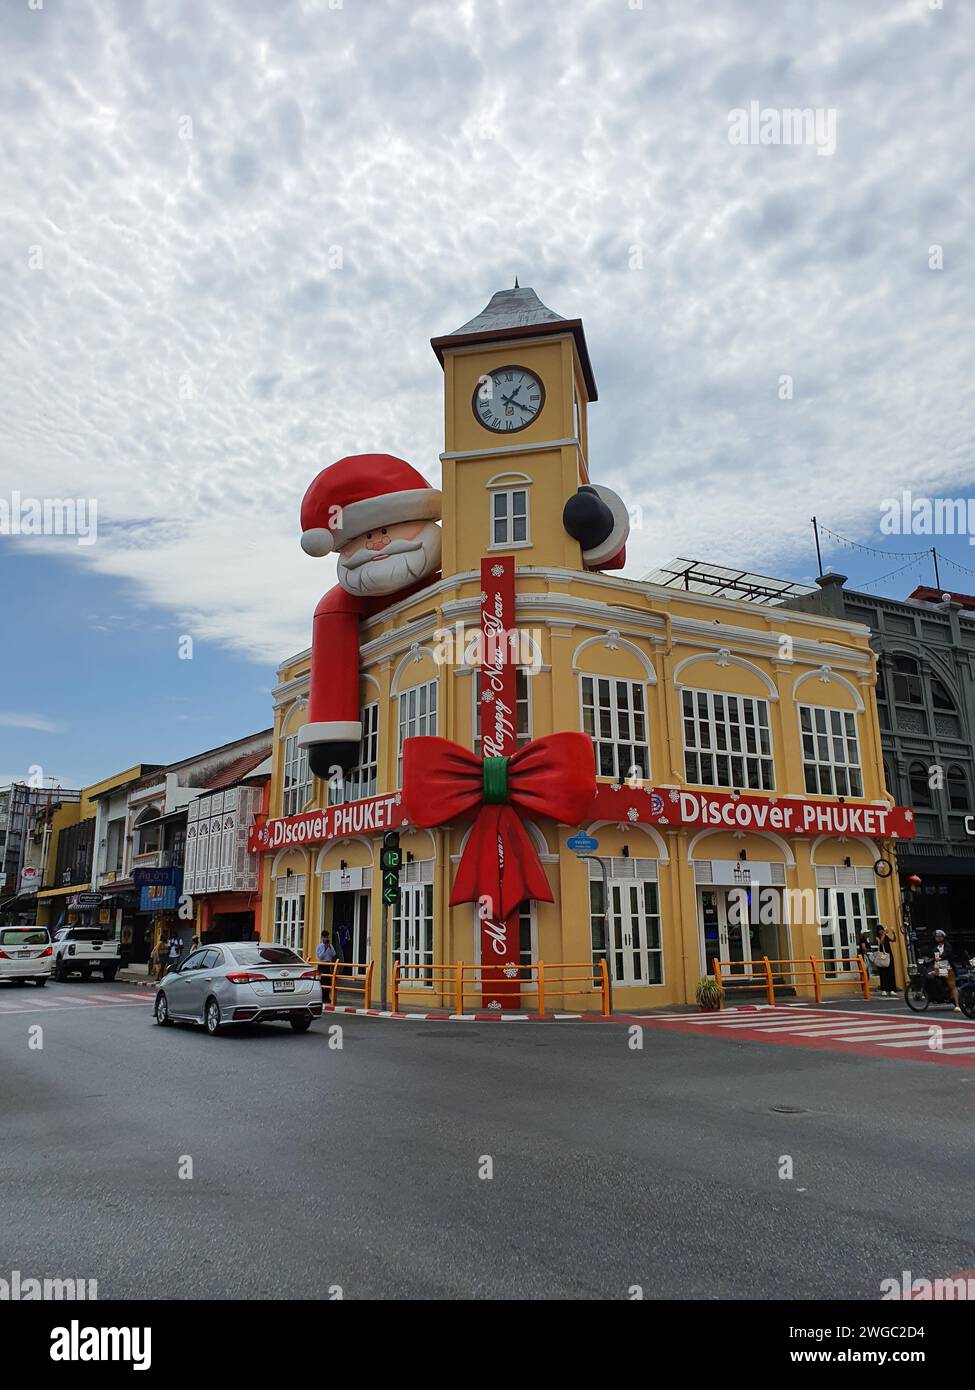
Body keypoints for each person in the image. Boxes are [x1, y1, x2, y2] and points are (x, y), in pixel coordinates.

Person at [929, 928, 961, 1011]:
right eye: (936, 937)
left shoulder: (947, 945)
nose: (938, 938)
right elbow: (932, 956)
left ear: (943, 937)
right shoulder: (935, 947)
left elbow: (947, 953)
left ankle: (957, 1005)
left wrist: (941, 957)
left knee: (952, 985)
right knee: (930, 977)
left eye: (940, 936)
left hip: (947, 968)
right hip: (938, 968)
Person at [872, 924, 898, 997]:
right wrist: (884, 934)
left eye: (882, 930)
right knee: (883, 972)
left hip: (889, 954)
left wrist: (894, 933)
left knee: (891, 971)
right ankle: (884, 989)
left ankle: (892, 989)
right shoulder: (877, 937)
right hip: (882, 955)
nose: (881, 931)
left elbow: (893, 940)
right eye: (880, 930)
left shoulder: (886, 936)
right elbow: (881, 943)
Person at [316, 929, 338, 1001]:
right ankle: (322, 997)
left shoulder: (330, 945)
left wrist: (330, 947)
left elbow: (334, 954)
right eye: (325, 937)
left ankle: (327, 997)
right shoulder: (319, 946)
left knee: (328, 981)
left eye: (327, 937)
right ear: (322, 937)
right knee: (321, 981)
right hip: (322, 964)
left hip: (328, 964)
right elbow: (320, 957)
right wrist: (325, 949)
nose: (326, 938)